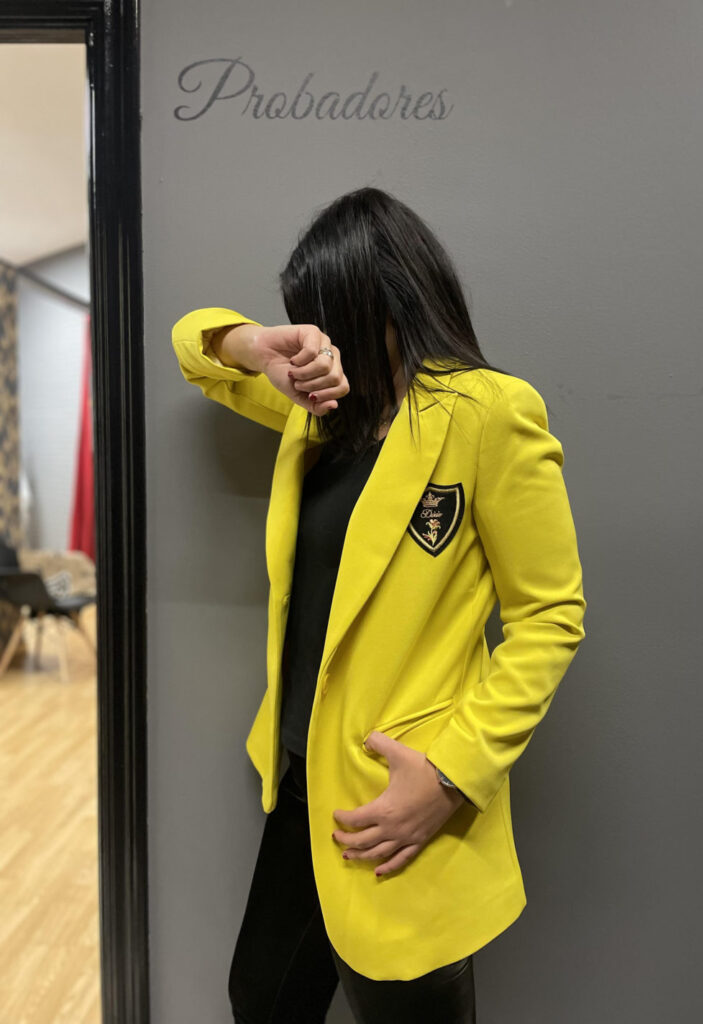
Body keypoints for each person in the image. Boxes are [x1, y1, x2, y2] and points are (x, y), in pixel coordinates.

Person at [171, 186, 587, 1023]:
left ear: (387, 301)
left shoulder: (490, 413)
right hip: (300, 776)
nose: (320, 339)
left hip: (400, 797)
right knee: (262, 997)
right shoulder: (320, 409)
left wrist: (450, 776)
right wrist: (259, 346)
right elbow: (194, 347)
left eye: (328, 316)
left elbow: (550, 616)